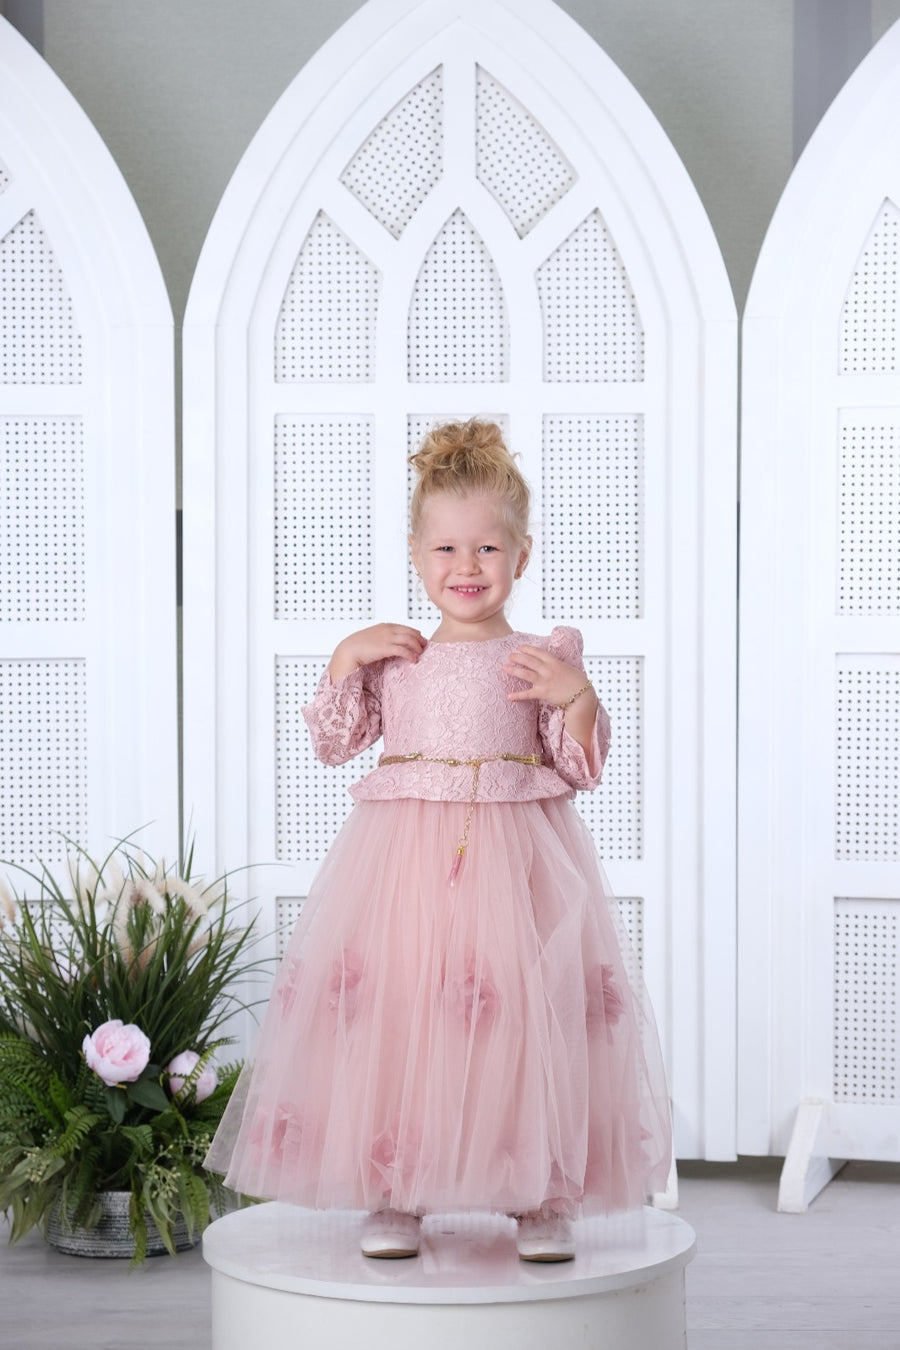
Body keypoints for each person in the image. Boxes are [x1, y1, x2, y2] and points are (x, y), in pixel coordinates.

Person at [206, 419, 671, 1263]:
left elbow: (578, 766)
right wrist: (345, 657)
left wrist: (577, 697)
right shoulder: (398, 656)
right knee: (403, 1014)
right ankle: (398, 1190)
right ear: (417, 556)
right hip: (407, 872)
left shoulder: (541, 655)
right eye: (448, 548)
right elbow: (335, 743)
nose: (468, 566)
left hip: (520, 868)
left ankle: (539, 1194)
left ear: (521, 557)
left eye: (488, 548)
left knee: (525, 1020)